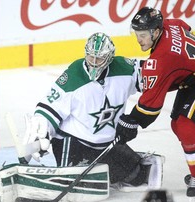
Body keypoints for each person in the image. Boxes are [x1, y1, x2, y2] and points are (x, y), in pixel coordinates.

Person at [21, 32, 163, 190]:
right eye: (90, 57)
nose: (94, 62)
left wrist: (136, 118)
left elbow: (156, 75)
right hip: (73, 142)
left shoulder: (124, 68)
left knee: (139, 177)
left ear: (109, 58)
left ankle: (110, 169)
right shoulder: (74, 75)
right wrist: (42, 125)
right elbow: (49, 106)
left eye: (100, 58)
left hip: (106, 144)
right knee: (71, 184)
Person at [115, 7, 195, 202]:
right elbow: (185, 26)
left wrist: (133, 121)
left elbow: (151, 105)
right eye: (137, 34)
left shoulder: (161, 59)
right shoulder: (169, 24)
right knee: (179, 125)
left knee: (186, 127)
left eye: (142, 35)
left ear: (156, 31)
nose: (139, 40)